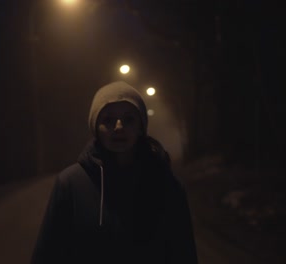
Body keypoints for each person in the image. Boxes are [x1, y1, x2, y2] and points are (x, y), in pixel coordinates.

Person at [31, 81, 198, 264]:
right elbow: (48, 254)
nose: (119, 127)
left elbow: (184, 253)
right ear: (95, 127)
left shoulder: (166, 183)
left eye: (129, 119)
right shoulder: (70, 183)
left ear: (141, 126)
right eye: (108, 120)